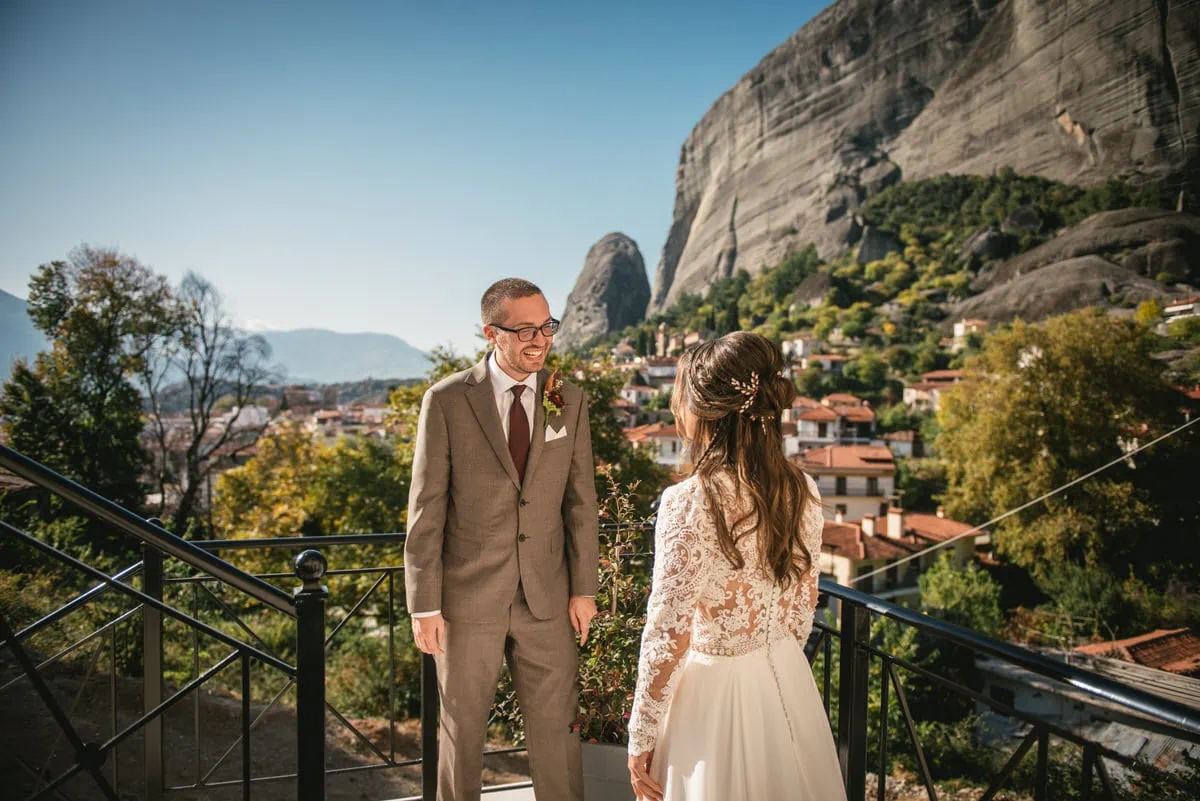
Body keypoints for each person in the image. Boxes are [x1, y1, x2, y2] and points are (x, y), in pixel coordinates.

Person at [626, 331, 847, 801]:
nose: (673, 409)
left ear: (709, 410)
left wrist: (641, 736)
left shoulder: (689, 500)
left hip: (714, 700)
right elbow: (802, 608)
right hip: (785, 680)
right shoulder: (803, 489)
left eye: (679, 397)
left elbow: (667, 629)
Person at [405, 278, 599, 801]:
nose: (541, 340)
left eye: (547, 327)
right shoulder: (445, 401)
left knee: (560, 733)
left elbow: (581, 503)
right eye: (526, 330)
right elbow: (426, 509)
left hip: (548, 597)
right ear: (492, 332)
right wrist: (423, 604)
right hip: (466, 600)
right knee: (462, 732)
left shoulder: (568, 400)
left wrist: (584, 589)